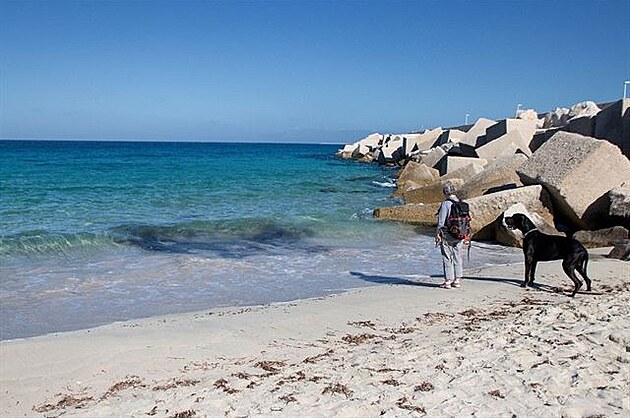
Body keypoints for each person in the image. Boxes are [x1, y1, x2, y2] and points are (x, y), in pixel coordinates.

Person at [435, 181, 464, 289]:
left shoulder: (446, 204)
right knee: (457, 256)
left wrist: (437, 235)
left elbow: (441, 222)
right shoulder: (460, 202)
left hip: (448, 234)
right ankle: (457, 280)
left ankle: (447, 281)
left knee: (447, 256)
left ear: (445, 192)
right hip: (460, 233)